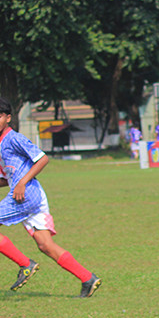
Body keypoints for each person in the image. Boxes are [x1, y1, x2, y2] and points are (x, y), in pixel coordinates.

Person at [0, 98, 101, 297]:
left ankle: (25, 264)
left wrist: (21, 183)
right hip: (29, 194)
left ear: (8, 118)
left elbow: (42, 158)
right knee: (45, 245)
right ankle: (87, 278)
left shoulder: (14, 139)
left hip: (26, 195)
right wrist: (16, 182)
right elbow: (9, 177)